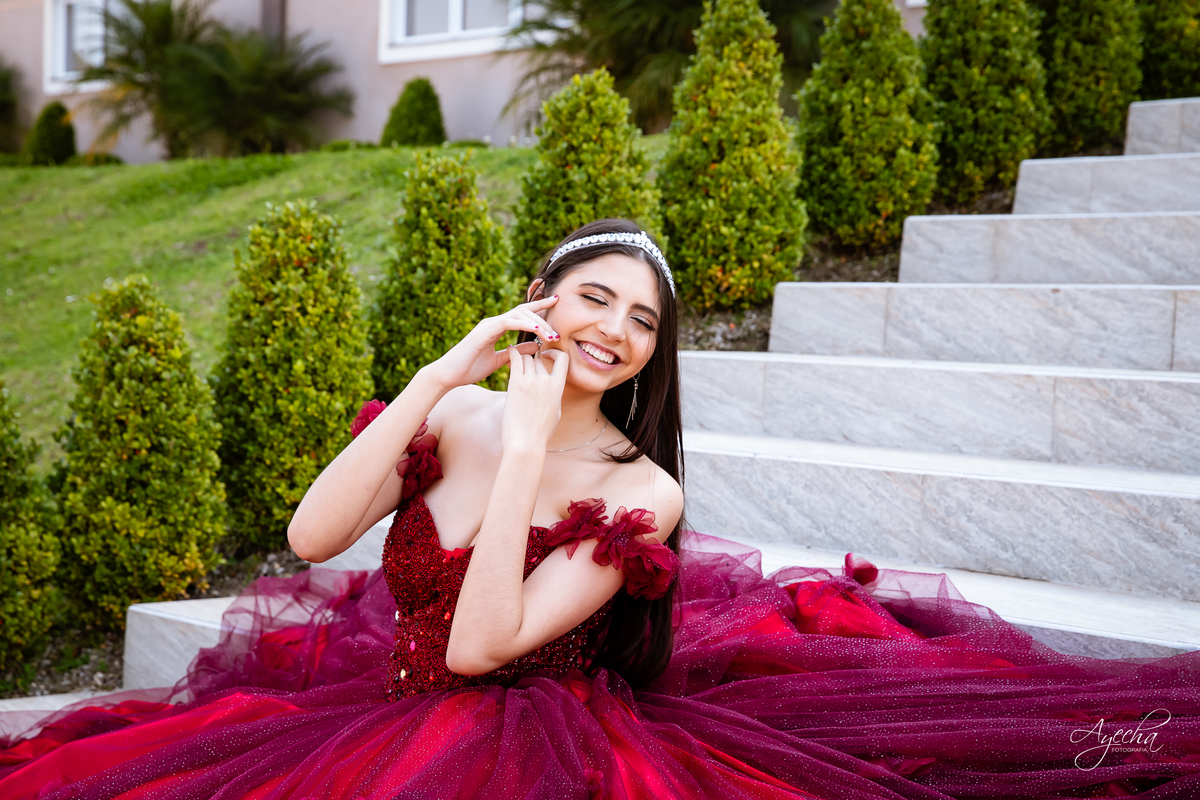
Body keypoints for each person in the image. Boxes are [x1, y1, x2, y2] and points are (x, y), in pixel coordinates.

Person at [1, 218, 1198, 799]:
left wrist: (526, 448)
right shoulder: (464, 413)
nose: (614, 332)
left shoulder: (642, 489)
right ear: (541, 300)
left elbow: (478, 649)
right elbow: (314, 537)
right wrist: (443, 376)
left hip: (526, 730)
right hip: (376, 701)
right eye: (594, 299)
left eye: (641, 322)